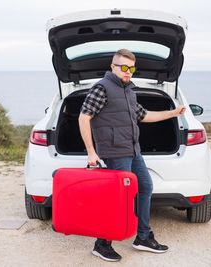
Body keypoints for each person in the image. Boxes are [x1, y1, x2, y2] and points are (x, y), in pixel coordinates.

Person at [78, 49, 186, 262]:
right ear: (113, 67)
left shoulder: (129, 90)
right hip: (114, 152)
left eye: (132, 68)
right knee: (117, 199)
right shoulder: (102, 88)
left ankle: (143, 237)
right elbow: (84, 117)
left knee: (145, 187)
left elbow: (144, 115)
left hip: (133, 150)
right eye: (124, 68)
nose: (128, 72)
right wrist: (91, 151)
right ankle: (102, 244)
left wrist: (173, 113)